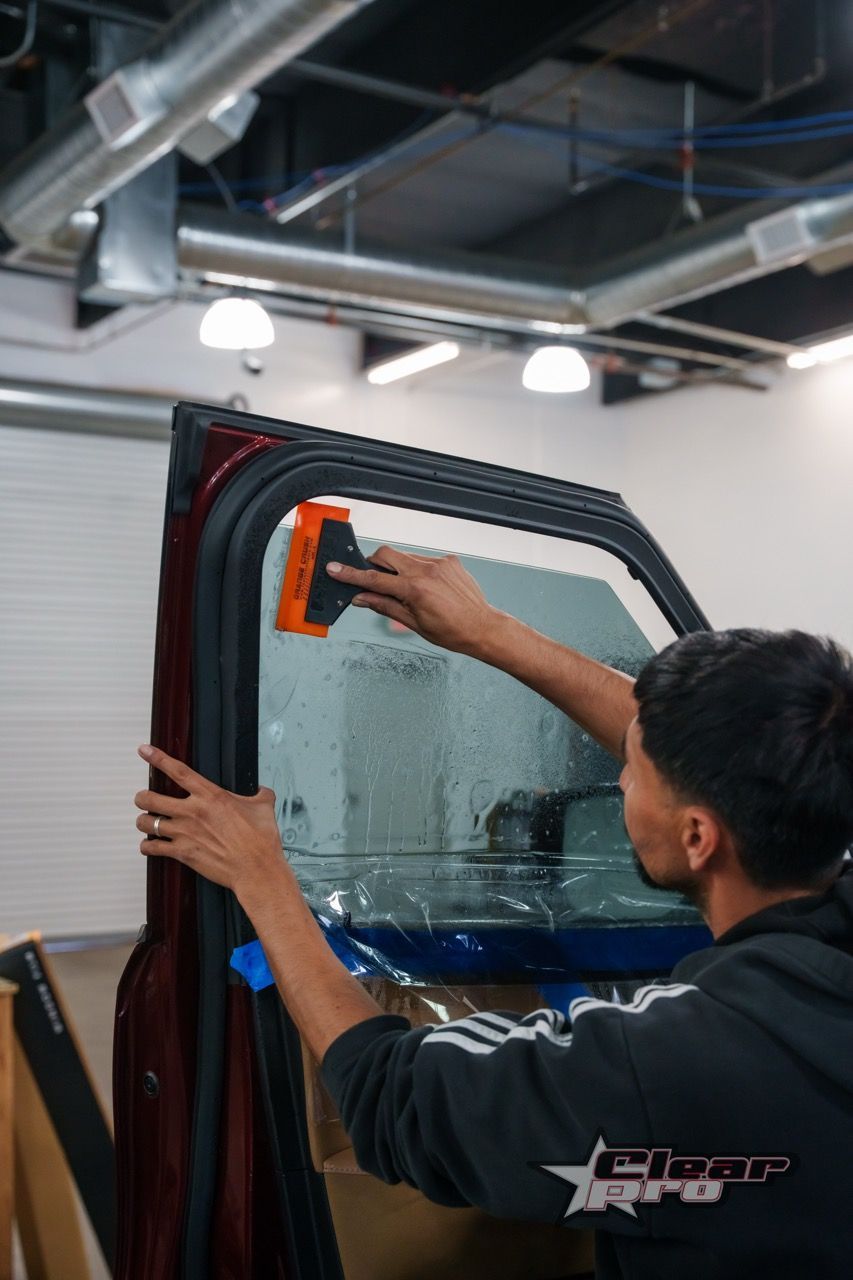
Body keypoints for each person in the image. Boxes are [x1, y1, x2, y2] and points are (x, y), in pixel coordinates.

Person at [134, 547, 853, 1280]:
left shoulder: (669, 1068)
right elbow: (713, 762)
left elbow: (391, 1095)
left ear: (697, 836)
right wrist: (488, 633)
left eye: (634, 773)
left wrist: (262, 877)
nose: (619, 775)